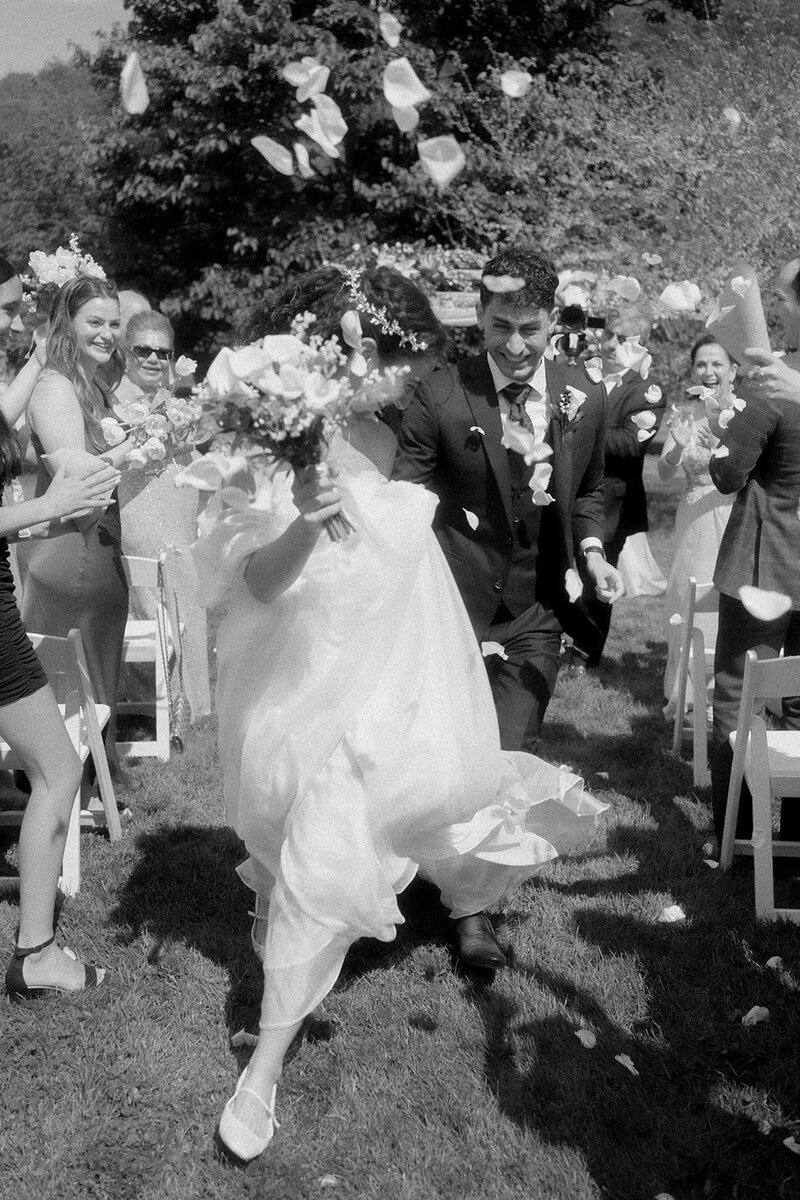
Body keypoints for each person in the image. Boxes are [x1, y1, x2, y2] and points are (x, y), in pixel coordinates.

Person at [193, 265, 607, 1161]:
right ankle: (292, 963)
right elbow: (253, 585)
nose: (412, 381)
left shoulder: (388, 437)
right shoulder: (277, 438)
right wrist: (305, 519)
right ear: (357, 349)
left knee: (331, 839)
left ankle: (262, 1068)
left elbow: (414, 565)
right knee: (296, 830)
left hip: (384, 676)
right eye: (402, 364)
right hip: (302, 674)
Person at [393, 245, 621, 961]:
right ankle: (418, 876)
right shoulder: (439, 392)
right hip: (449, 603)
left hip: (538, 609)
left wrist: (592, 552)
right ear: (480, 321)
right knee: (443, 758)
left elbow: (589, 491)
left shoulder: (583, 393)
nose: (515, 347)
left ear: (552, 318)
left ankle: (471, 914)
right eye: (499, 328)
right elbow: (407, 497)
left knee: (507, 750)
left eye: (529, 329)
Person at [0, 259, 119, 995]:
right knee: (55, 769)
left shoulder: (29, 373)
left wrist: (44, 344)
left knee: (55, 767)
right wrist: (50, 507)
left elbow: (9, 410)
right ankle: (37, 956)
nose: (14, 318)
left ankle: (37, 952)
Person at [15, 276, 132, 782]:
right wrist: (147, 441)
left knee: (96, 679)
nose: (107, 333)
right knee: (72, 684)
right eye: (95, 322)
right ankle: (55, 784)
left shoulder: (94, 383)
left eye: (113, 323)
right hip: (73, 551)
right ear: (67, 323)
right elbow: (80, 484)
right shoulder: (55, 385)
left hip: (101, 545)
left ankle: (88, 786)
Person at [709, 256, 800, 848]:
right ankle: (797, 831)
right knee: (799, 699)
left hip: (764, 557)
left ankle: (731, 832)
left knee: (736, 695)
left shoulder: (769, 381)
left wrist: (723, 430)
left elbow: (727, 473)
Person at [112, 309, 208, 720]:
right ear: (126, 352)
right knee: (145, 606)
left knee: (184, 604)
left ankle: (188, 705)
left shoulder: (179, 407)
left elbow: (203, 463)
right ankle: (145, 711)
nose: (153, 359)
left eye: (162, 353)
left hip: (177, 509)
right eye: (144, 350)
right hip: (135, 511)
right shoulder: (110, 404)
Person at [579, 303, 665, 667]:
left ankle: (587, 652)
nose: (611, 345)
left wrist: (582, 431)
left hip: (609, 502)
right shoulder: (585, 375)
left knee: (599, 580)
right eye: (609, 335)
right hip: (569, 494)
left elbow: (632, 444)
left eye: (622, 339)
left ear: (641, 346)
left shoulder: (648, 390)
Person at [660, 335, 736, 718]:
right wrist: (675, 447)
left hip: (733, 516)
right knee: (687, 599)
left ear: (732, 370)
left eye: (716, 364)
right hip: (693, 519)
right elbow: (663, 469)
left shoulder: (745, 412)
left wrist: (724, 440)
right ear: (692, 371)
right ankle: (685, 693)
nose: (708, 372)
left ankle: (730, 688)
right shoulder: (683, 414)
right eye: (701, 364)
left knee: (727, 602)